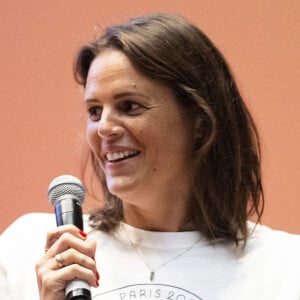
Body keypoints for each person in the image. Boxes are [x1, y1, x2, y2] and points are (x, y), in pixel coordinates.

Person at [0, 13, 299, 300]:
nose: (103, 128)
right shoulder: (31, 249)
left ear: (200, 122)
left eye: (130, 106)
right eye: (94, 111)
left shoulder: (283, 267)